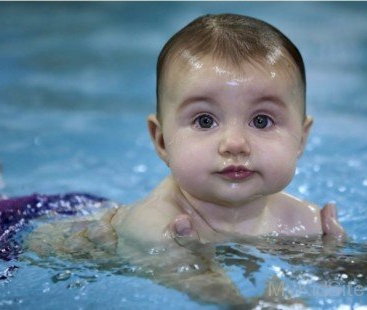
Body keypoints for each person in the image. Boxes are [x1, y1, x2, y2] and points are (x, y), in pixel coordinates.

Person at [26, 13, 347, 306]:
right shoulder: (155, 225)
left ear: (301, 139)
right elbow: (195, 280)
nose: (235, 143)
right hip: (24, 236)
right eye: (205, 121)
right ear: (162, 140)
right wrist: (245, 305)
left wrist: (336, 256)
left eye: (261, 121)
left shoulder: (302, 220)